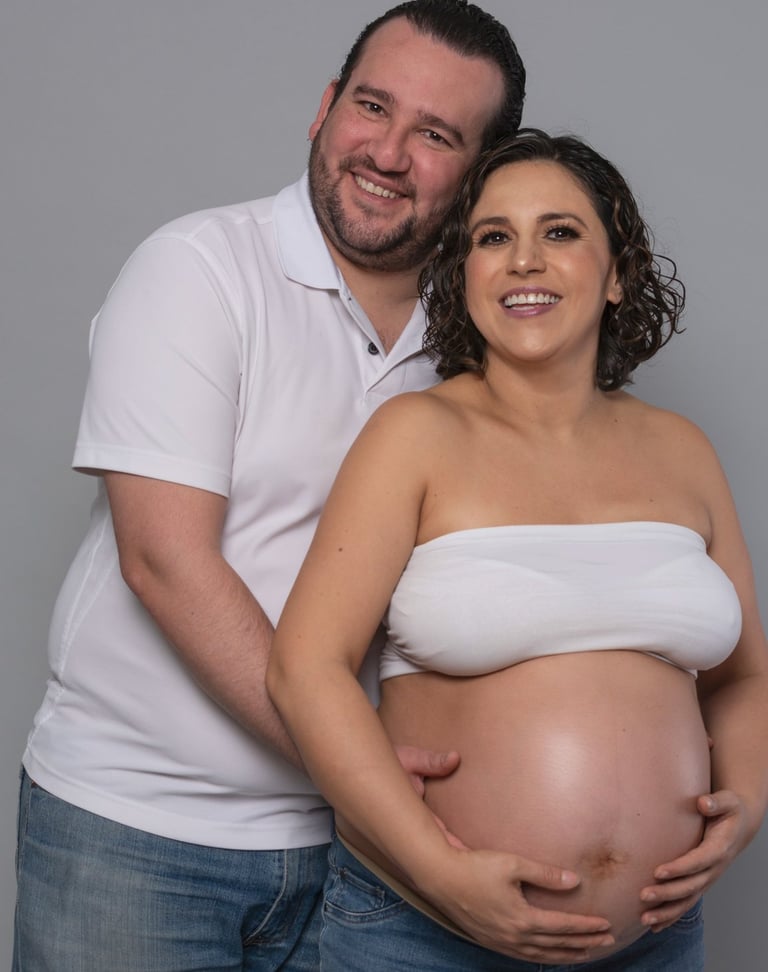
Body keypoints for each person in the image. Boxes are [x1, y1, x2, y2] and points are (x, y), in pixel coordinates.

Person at [13, 4, 530, 970]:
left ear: (478, 175)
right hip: (138, 835)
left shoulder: (483, 342)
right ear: (324, 108)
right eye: (371, 106)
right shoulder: (198, 271)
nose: (385, 151)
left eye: (435, 134)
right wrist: (365, 767)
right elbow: (165, 560)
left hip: (361, 856)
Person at [267, 129, 768, 970]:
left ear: (618, 276)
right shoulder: (415, 435)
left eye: (561, 232)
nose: (524, 260)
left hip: (655, 939)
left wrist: (749, 802)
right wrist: (440, 873)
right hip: (426, 930)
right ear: (464, 278)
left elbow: (745, 676)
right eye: (493, 238)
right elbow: (305, 667)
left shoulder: (682, 450)